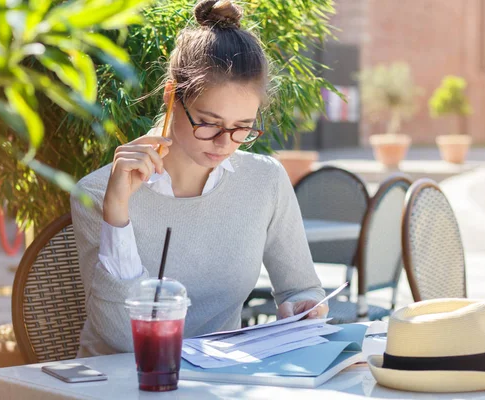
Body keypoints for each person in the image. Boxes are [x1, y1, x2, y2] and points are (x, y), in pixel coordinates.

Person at [71, 0, 327, 357]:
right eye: (209, 123)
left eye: (243, 128)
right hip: (120, 385)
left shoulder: (264, 181)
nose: (225, 143)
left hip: (220, 384)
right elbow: (121, 340)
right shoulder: (98, 193)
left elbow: (301, 289)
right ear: (172, 96)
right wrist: (117, 211)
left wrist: (304, 307)